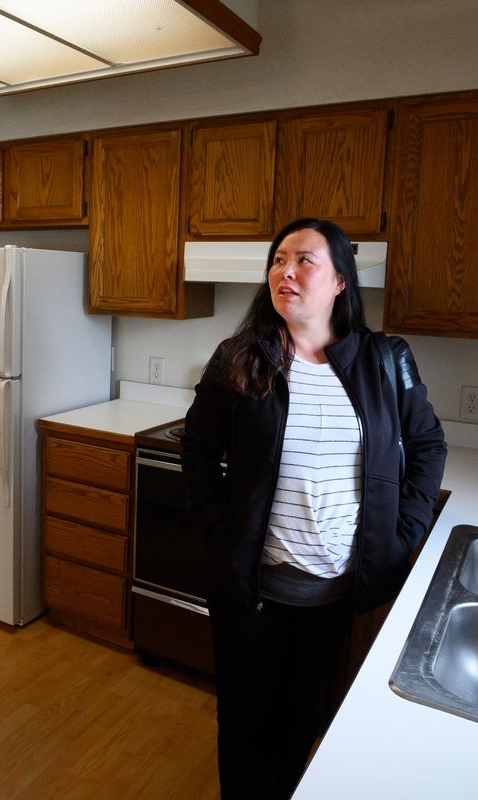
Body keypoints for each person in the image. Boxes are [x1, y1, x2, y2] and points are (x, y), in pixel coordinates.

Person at [181, 218, 446, 799]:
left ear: (340, 282)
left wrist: (406, 531)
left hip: (335, 596)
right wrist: (219, 527)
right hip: (252, 592)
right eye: (278, 260)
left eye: (304, 260)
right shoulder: (241, 358)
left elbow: (427, 445)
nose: (285, 271)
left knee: (303, 720)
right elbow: (197, 449)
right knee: (246, 728)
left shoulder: (384, 361)